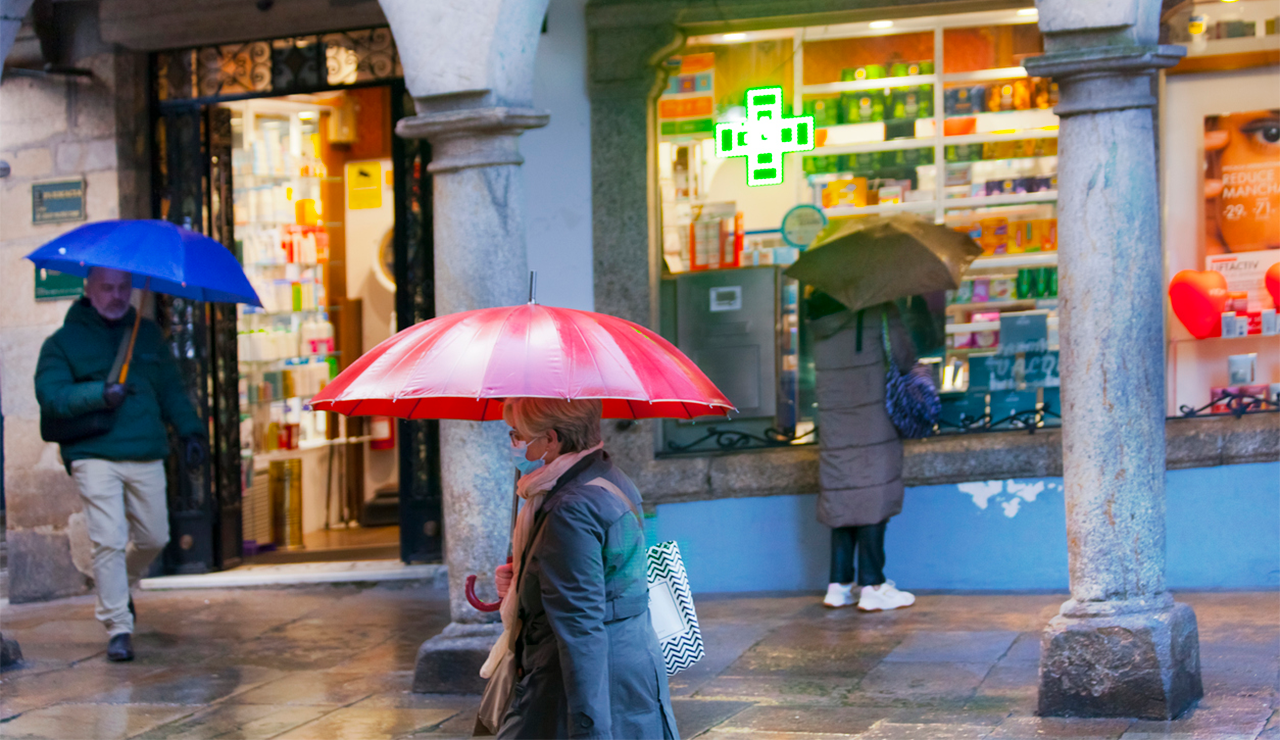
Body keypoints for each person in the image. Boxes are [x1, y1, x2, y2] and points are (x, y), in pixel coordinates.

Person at [34, 267, 207, 662]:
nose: (116, 295)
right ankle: (118, 625)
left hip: (145, 449)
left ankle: (118, 587)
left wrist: (191, 432)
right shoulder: (62, 343)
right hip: (94, 453)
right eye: (107, 287)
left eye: (123, 287)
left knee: (154, 537)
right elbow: (52, 396)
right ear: (89, 289)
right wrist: (100, 393)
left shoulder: (146, 336)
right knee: (108, 538)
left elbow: (171, 391)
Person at [480, 397, 678, 739]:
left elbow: (580, 625)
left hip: (579, 683)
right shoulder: (606, 475)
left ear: (551, 440)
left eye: (517, 434)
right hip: (628, 669)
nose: (513, 444)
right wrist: (526, 579)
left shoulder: (569, 509)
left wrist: (590, 730)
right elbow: (602, 575)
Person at [808, 291, 916, 612]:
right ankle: (872, 585)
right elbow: (904, 357)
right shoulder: (878, 307)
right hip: (873, 419)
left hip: (834, 420)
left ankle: (838, 585)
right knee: (871, 496)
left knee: (843, 494)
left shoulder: (819, 318)